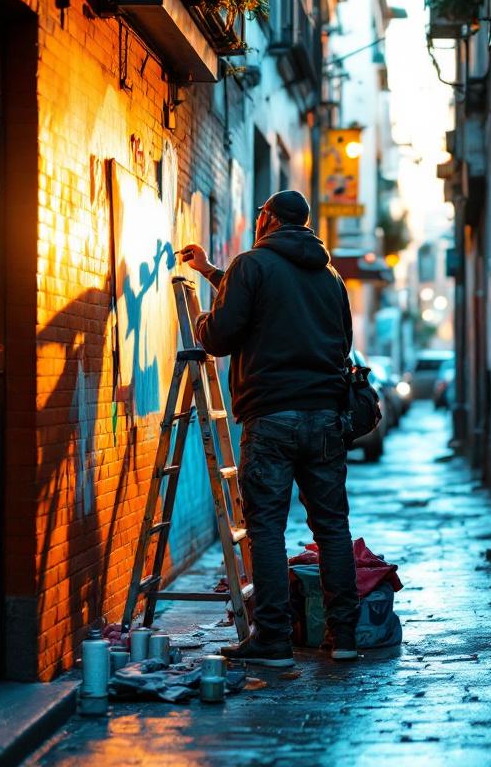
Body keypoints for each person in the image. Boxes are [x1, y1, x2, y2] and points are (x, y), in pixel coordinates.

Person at [179, 189, 360, 665]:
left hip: (271, 417)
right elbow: (342, 341)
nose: (257, 220)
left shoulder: (252, 265)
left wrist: (201, 319)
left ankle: (274, 641)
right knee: (332, 529)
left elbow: (220, 336)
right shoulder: (330, 276)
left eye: (261, 213)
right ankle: (343, 638)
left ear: (271, 220)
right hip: (324, 419)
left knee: (266, 529)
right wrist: (211, 272)